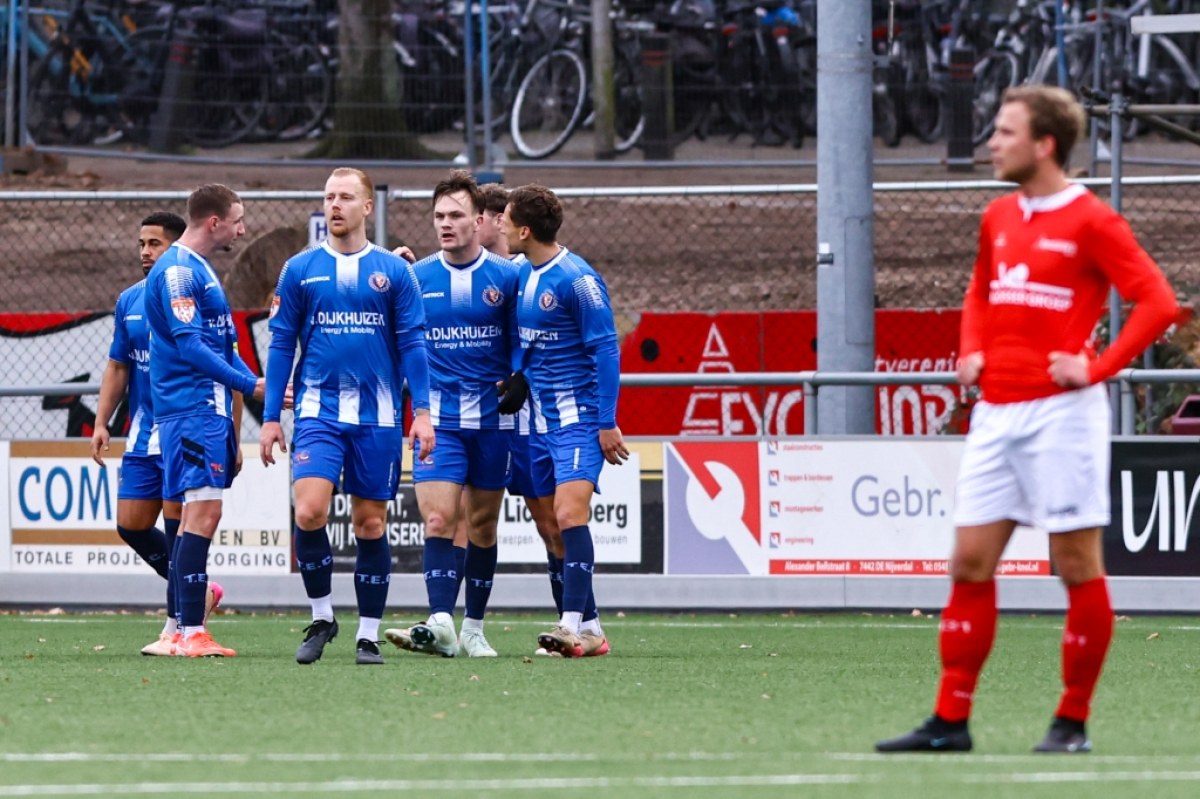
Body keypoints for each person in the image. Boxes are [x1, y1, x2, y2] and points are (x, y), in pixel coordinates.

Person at [875, 86, 1179, 754]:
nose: (992, 142)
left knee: (1075, 565)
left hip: (1061, 417)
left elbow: (1158, 301)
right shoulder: (999, 216)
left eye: (1006, 132)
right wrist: (970, 350)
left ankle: (1071, 723)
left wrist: (1097, 368)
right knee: (969, 563)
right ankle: (950, 722)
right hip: (996, 411)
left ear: (1044, 145)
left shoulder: (1092, 220)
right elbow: (980, 290)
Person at [260, 167, 435, 666]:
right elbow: (281, 344)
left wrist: (423, 412)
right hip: (318, 411)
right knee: (309, 511)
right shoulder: (299, 269)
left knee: (370, 522)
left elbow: (413, 345)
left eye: (345, 197)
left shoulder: (394, 272)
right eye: (329, 197)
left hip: (379, 415)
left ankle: (368, 635)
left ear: (367, 207)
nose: (335, 205)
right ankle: (322, 616)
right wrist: (270, 418)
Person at [381, 170, 520, 658]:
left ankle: (474, 629)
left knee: (482, 526)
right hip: (438, 420)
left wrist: (519, 374)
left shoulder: (507, 277)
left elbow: (525, 338)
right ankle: (441, 621)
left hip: (494, 422)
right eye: (439, 215)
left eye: (456, 215)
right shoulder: (416, 277)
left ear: (479, 220)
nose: (445, 223)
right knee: (439, 518)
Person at [502, 183, 629, 658]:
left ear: (525, 231)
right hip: (539, 420)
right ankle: (592, 630)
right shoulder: (522, 272)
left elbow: (606, 351)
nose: (499, 226)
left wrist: (606, 422)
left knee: (569, 515)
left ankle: (570, 626)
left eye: (505, 219)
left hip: (579, 419)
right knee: (553, 529)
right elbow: (527, 339)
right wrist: (517, 374)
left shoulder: (578, 280)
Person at [91, 212, 224, 656]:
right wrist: (101, 421)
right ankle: (198, 592)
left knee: (177, 523)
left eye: (155, 244)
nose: (146, 252)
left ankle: (177, 624)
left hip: (182, 427)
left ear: (175, 248)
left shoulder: (193, 295)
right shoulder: (129, 300)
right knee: (131, 524)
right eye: (142, 244)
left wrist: (233, 430)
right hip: (142, 432)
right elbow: (117, 365)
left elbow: (223, 363)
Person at [145, 185, 265, 658]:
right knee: (202, 515)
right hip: (195, 408)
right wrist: (250, 384)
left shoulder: (196, 268)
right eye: (238, 220)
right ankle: (192, 631)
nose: (243, 229)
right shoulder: (179, 271)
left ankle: (177, 629)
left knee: (190, 518)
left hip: (200, 411)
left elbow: (218, 345)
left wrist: (251, 388)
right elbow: (192, 346)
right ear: (214, 222)